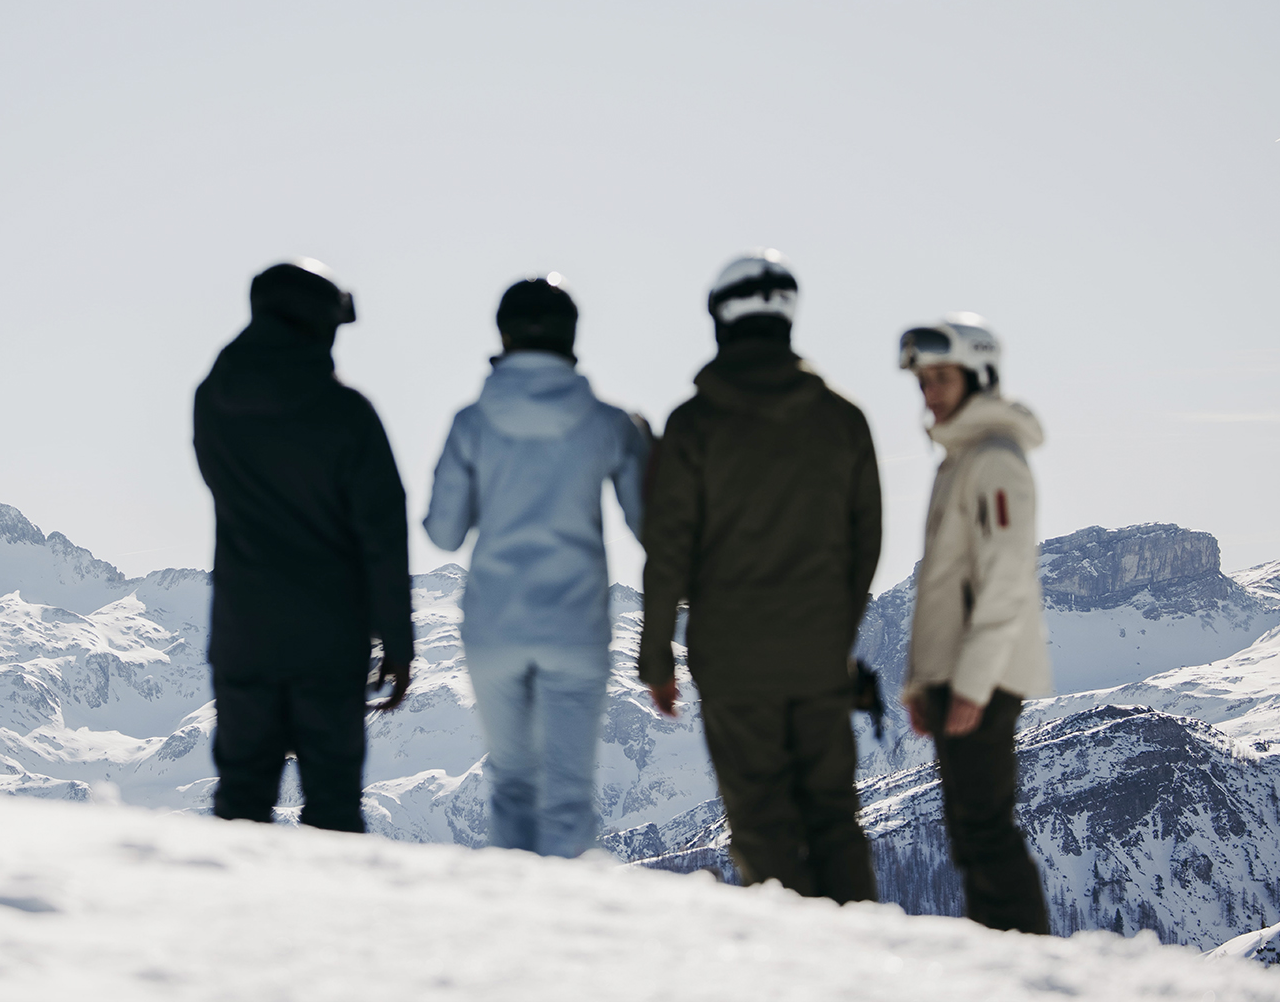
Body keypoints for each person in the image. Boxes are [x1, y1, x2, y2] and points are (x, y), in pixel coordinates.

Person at [638, 249, 881, 903]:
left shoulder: (694, 424)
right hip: (818, 653)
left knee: (762, 823)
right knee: (833, 816)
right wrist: (836, 627)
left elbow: (668, 552)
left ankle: (798, 970)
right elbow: (867, 543)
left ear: (721, 320)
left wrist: (657, 655)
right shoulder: (843, 419)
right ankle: (864, 962)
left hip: (732, 655)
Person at [423, 275, 650, 857]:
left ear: (503, 335)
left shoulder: (470, 423)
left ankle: (514, 926)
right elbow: (650, 524)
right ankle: (565, 931)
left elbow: (444, 533)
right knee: (569, 795)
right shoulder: (609, 423)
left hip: (494, 625)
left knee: (513, 785)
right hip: (575, 625)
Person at [192, 259, 414, 833]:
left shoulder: (212, 402)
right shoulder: (347, 414)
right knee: (334, 805)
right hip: (328, 638)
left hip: (243, 631)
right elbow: (383, 534)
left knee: (241, 799)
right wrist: (397, 639)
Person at [897, 314, 1053, 934]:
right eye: (922, 380)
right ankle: (1004, 957)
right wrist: (922, 681)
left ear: (978, 375)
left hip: (979, 678)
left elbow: (1006, 577)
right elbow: (944, 588)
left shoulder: (995, 462)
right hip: (955, 675)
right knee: (968, 830)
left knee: (985, 828)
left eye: (941, 377)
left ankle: (1030, 964)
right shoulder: (961, 459)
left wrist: (971, 682)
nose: (928, 392)